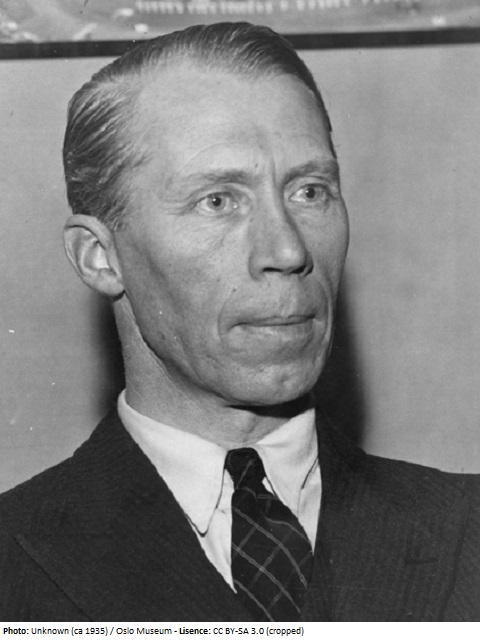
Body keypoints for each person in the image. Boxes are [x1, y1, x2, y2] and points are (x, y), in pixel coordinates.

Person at [0, 22, 478, 623]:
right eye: (218, 201)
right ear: (101, 257)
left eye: (309, 191)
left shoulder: (467, 531)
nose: (288, 250)